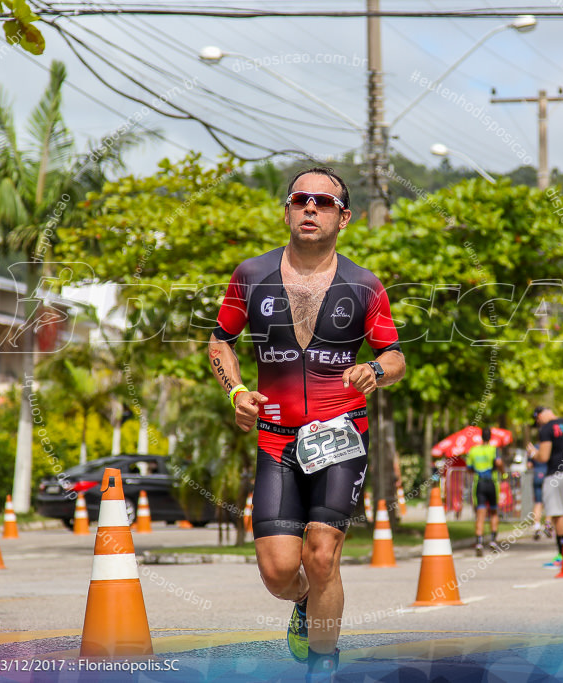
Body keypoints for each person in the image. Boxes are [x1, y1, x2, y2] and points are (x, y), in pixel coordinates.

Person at [209, 168, 405, 681]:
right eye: (300, 200)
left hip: (341, 437)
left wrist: (376, 370)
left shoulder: (364, 285)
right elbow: (219, 341)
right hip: (275, 440)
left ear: (344, 217)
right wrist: (236, 391)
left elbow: (396, 357)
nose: (310, 208)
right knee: (279, 572)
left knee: (322, 557)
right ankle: (302, 603)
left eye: (323, 201)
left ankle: (324, 668)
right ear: (289, 210)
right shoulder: (250, 275)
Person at [531, 406, 563, 568]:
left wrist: (533, 453)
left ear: (540, 415)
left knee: (558, 514)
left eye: (537, 420)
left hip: (556, 476)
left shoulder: (546, 429)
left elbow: (544, 456)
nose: (538, 423)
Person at [465, 428, 503, 556]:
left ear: (481, 437)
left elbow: (469, 468)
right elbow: (499, 462)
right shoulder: (494, 449)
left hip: (479, 483)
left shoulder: (473, 450)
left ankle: (479, 542)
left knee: (480, 513)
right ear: (490, 437)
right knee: (493, 512)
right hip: (492, 482)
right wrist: (503, 472)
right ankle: (493, 540)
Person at [526, 442, 552, 541]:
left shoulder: (533, 447)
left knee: (538, 502)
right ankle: (548, 524)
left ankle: (537, 526)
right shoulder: (549, 446)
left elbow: (529, 465)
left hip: (537, 475)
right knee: (549, 501)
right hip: (547, 475)